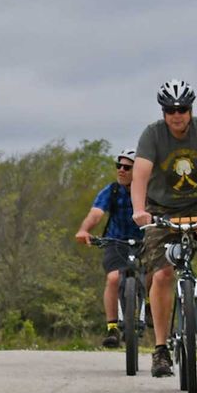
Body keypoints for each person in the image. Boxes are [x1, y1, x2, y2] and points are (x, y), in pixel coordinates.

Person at [130, 80, 197, 378]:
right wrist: (139, 210)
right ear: (163, 112)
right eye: (170, 110)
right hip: (160, 208)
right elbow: (139, 176)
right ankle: (161, 350)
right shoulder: (152, 135)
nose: (177, 115)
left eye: (183, 109)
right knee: (162, 274)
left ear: (191, 109)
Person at [74, 149, 145, 348]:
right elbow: (96, 213)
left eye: (127, 167)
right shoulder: (111, 191)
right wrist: (84, 230)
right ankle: (112, 327)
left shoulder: (150, 191)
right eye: (118, 166)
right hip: (116, 242)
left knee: (154, 277)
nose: (121, 170)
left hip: (146, 242)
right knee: (114, 278)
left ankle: (148, 312)